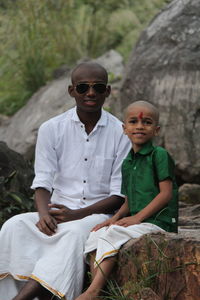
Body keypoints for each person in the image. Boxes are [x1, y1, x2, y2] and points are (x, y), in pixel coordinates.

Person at [0, 62, 131, 300]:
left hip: (95, 216)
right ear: (71, 91)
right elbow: (43, 180)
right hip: (56, 213)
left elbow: (118, 195)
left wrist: (77, 215)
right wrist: (43, 215)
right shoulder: (51, 128)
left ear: (108, 91)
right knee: (13, 226)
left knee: (73, 235)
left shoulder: (121, 133)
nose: (90, 93)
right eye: (83, 87)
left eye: (97, 87)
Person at [75, 100, 178, 300]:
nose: (140, 126)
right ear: (124, 129)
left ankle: (93, 291)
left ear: (156, 130)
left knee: (113, 234)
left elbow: (166, 194)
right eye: (133, 122)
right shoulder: (128, 162)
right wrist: (114, 218)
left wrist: (137, 218)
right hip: (140, 221)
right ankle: (99, 290)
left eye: (147, 122)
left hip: (159, 222)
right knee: (98, 233)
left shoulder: (159, 155)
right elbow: (129, 200)